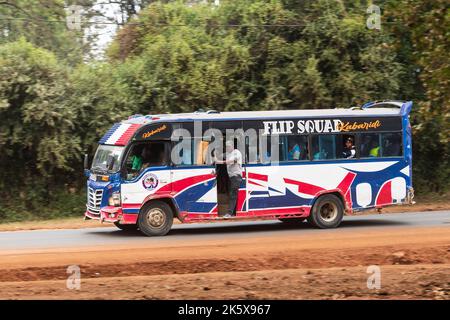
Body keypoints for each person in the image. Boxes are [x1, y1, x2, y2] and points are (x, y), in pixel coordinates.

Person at [215, 141, 243, 218]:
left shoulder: (236, 152)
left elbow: (232, 161)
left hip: (236, 176)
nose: (227, 148)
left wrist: (219, 162)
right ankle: (233, 212)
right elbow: (220, 155)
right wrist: (214, 154)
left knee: (233, 195)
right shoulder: (227, 154)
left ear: (233, 146)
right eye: (226, 146)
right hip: (231, 177)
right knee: (231, 194)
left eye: (228, 146)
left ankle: (229, 213)